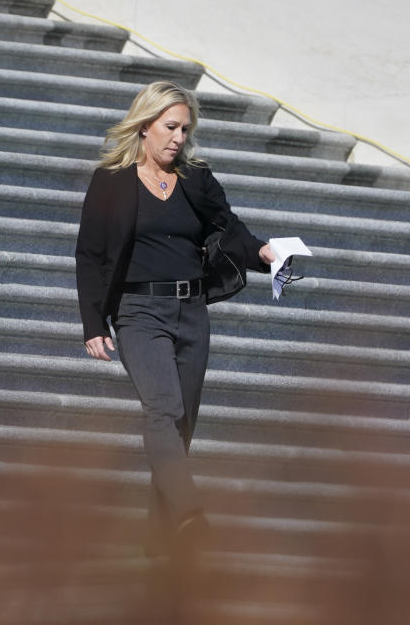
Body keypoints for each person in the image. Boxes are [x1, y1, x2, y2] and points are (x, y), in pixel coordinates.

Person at [74, 81, 275, 557]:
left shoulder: (196, 179)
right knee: (163, 410)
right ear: (145, 126)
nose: (178, 138)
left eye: (185, 129)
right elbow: (89, 254)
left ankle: (159, 545)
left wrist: (263, 252)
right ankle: (191, 519)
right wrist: (93, 323)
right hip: (138, 312)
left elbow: (230, 227)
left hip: (191, 312)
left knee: (180, 428)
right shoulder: (111, 181)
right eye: (170, 127)